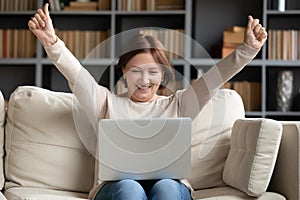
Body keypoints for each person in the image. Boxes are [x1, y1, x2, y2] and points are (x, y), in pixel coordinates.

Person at [28, 3, 267, 200]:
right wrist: (52, 42)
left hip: (170, 188)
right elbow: (76, 75)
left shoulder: (179, 104)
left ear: (163, 74)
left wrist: (246, 50)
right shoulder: (105, 103)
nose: (144, 80)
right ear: (123, 71)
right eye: (136, 71)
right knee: (131, 188)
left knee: (166, 188)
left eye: (153, 71)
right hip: (117, 190)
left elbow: (213, 79)